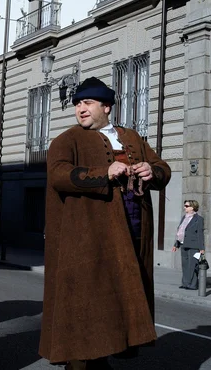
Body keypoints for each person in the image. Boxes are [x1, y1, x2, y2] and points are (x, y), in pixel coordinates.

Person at [39, 77, 171, 369]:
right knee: (89, 301)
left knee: (119, 297)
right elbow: (59, 175)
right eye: (77, 104)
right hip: (89, 238)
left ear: (106, 106)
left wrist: (152, 170)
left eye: (87, 103)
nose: (80, 109)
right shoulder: (67, 140)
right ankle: (83, 362)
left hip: (134, 231)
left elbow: (163, 167)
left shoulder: (132, 137)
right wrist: (105, 172)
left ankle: (107, 353)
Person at [173, 200, 204, 290]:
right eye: (184, 206)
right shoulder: (184, 218)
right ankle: (185, 283)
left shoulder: (199, 219)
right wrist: (176, 245)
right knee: (185, 265)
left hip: (194, 246)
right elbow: (180, 232)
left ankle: (192, 285)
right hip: (183, 244)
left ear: (192, 207)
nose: (184, 207)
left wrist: (201, 248)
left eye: (186, 206)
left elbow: (200, 234)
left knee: (193, 265)